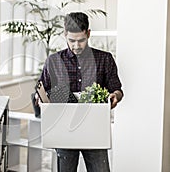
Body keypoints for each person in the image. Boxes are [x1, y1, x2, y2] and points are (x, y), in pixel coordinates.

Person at [35, 12, 123, 172]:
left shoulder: (105, 59)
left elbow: (117, 89)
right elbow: (42, 90)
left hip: (95, 131)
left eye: (81, 40)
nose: (76, 45)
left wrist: (115, 96)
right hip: (64, 131)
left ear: (88, 34)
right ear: (65, 35)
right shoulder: (53, 61)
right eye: (71, 40)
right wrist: (39, 99)